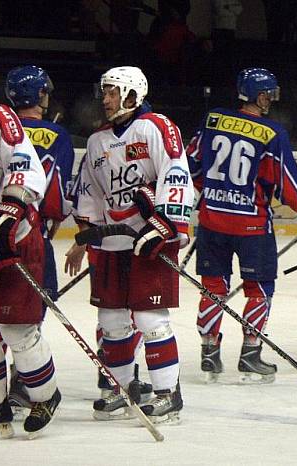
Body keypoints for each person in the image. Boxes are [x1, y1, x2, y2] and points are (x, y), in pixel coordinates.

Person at [187, 68, 297, 383]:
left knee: (213, 288)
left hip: (211, 221)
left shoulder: (212, 121)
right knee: (259, 289)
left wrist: (202, 199)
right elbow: (288, 184)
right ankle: (251, 353)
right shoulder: (271, 131)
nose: (272, 100)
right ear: (261, 95)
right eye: (270, 94)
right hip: (251, 227)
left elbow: (190, 168)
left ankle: (209, 351)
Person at [67, 66, 193, 423]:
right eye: (104, 92)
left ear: (132, 94)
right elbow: (90, 191)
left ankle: (168, 393)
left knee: (150, 318)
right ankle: (122, 390)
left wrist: (167, 225)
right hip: (111, 241)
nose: (104, 99)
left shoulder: (156, 126)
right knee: (111, 320)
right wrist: (82, 236)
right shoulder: (96, 142)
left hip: (150, 237)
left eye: (112, 91)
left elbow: (176, 172)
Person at [0, 101, 61, 439]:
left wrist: (11, 208)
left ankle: (46, 396)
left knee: (16, 329)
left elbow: (25, 163)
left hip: (16, 236)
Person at [3, 65, 75, 416]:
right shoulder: (56, 134)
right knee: (27, 316)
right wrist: (56, 221)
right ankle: (23, 380)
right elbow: (57, 198)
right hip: (32, 237)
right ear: (40, 95)